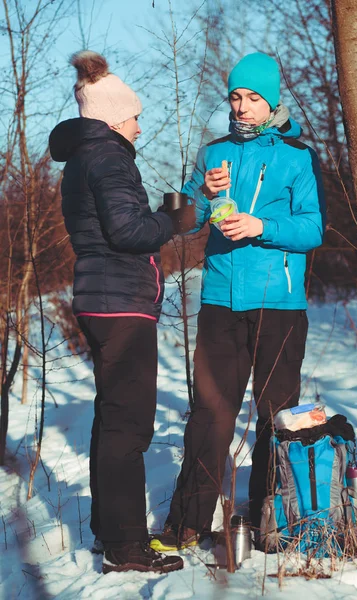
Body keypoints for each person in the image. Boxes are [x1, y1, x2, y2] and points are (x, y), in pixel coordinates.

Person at [150, 52, 326, 552]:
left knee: (276, 414)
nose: (243, 106)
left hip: (280, 304)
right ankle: (185, 524)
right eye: (236, 96)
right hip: (221, 301)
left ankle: (271, 524)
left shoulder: (298, 157)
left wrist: (261, 227)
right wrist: (202, 193)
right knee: (209, 414)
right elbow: (180, 218)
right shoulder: (213, 152)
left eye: (254, 98)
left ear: (272, 103)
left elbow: (314, 227)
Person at [49, 51, 189, 574]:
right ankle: (128, 546)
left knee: (113, 419)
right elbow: (130, 233)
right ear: (112, 118)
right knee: (129, 426)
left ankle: (112, 532)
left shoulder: (87, 156)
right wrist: (172, 219)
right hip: (120, 304)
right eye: (134, 115)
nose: (139, 123)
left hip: (102, 300)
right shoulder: (109, 157)